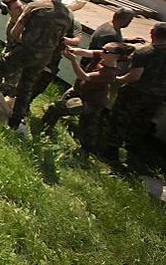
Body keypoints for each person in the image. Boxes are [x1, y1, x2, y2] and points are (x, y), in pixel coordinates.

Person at [0, 0, 76, 131]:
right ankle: (16, 120)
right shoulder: (68, 15)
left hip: (25, 50)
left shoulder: (35, 7)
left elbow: (16, 32)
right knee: (26, 87)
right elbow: (65, 38)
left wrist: (26, 42)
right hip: (44, 57)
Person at [40, 42, 132, 154]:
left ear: (116, 56)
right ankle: (86, 149)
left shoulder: (110, 72)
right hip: (82, 94)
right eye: (102, 48)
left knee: (56, 108)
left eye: (106, 51)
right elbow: (86, 52)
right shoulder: (102, 56)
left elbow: (84, 76)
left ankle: (43, 131)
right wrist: (72, 50)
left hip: (91, 102)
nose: (102, 51)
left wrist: (73, 60)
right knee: (88, 129)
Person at [109, 22, 166, 167]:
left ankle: (112, 149)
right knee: (141, 121)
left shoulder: (144, 53)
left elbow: (135, 76)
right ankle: (131, 147)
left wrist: (118, 80)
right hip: (157, 96)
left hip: (135, 93)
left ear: (152, 33)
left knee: (121, 118)